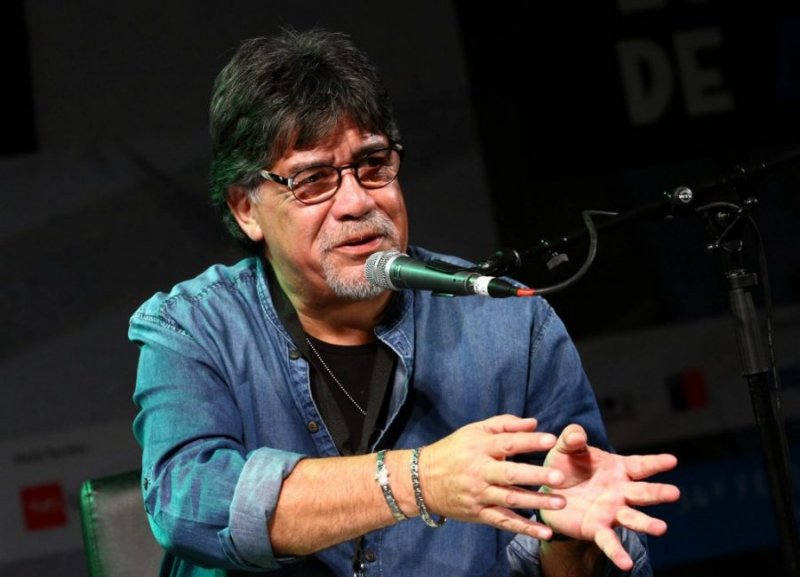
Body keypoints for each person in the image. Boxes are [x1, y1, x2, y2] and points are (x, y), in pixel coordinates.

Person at [129, 28, 680, 577]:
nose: (356, 201)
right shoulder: (190, 328)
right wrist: (418, 480)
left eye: (373, 164)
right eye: (314, 180)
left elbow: (577, 548)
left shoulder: (513, 324)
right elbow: (188, 501)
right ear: (246, 208)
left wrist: (566, 539)